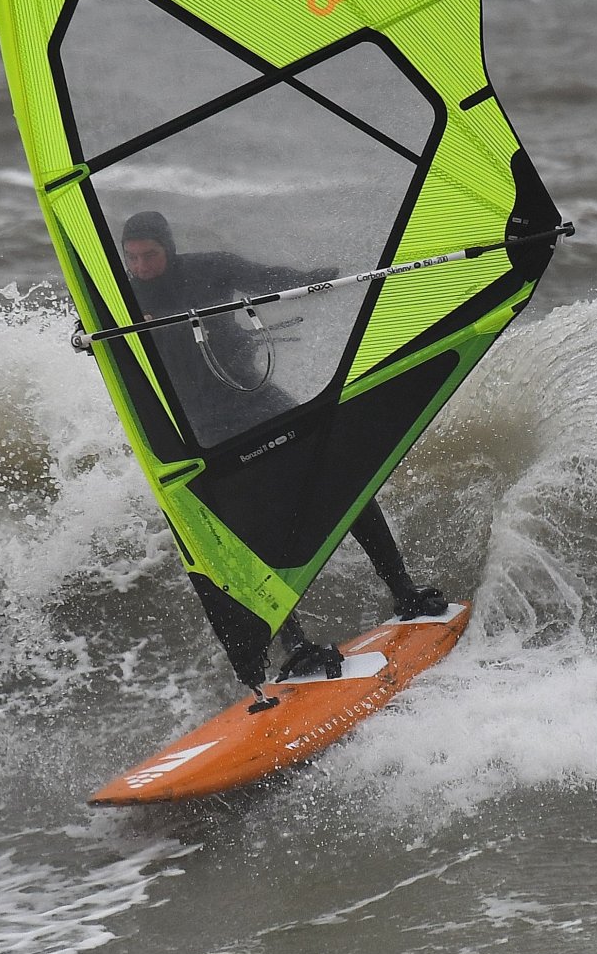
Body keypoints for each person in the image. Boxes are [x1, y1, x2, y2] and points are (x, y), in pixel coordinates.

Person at [119, 210, 447, 686]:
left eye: (150, 255)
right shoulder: (123, 300)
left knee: (339, 472)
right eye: (132, 258)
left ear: (168, 247)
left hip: (251, 393)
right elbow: (86, 329)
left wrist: (310, 280)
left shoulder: (207, 269)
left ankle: (403, 591)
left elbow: (260, 277)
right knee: (245, 525)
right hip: (200, 425)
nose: (142, 265)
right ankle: (292, 640)